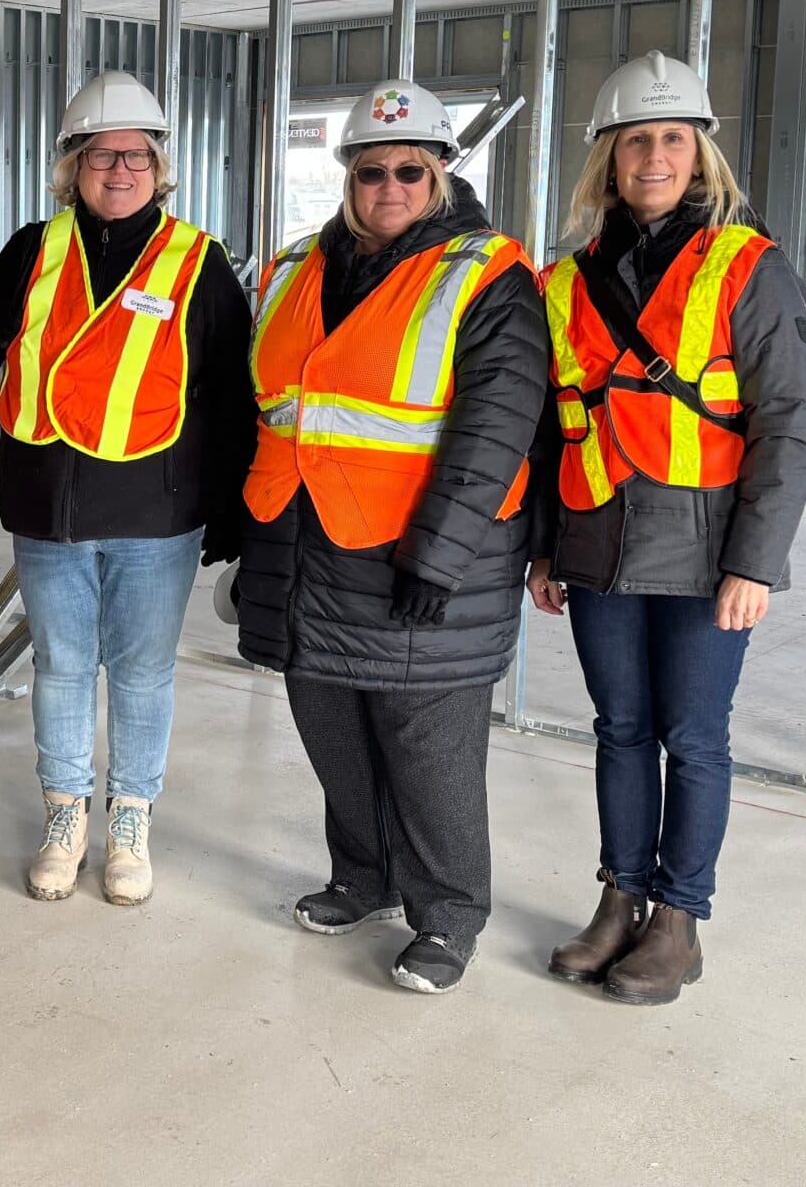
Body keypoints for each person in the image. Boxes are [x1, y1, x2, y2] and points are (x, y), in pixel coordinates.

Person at [234, 80, 548, 994]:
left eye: (410, 170)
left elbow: (496, 428)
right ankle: (363, 877)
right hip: (306, 544)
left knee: (428, 750)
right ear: (347, 176)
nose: (390, 187)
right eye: (371, 171)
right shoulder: (295, 267)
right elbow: (270, 407)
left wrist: (438, 557)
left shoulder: (487, 273)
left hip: (422, 556)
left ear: (441, 172)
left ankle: (447, 915)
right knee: (332, 728)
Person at [530, 50, 806, 1005]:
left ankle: (678, 921)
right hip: (598, 543)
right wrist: (546, 546)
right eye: (634, 141)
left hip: (706, 557)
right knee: (620, 730)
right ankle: (619, 899)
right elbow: (550, 423)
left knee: (693, 738)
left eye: (672, 138)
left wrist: (756, 565)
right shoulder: (564, 281)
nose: (653, 157)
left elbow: (790, 424)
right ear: (607, 159)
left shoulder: (747, 265)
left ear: (700, 154)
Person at [0, 70, 256, 906]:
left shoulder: (198, 259)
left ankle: (130, 821)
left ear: (159, 169)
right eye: (100, 156)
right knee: (61, 667)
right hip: (47, 503)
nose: (119, 171)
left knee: (141, 672)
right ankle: (65, 818)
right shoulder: (34, 248)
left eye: (136, 156)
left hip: (157, 510)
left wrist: (229, 505)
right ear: (73, 168)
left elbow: (229, 391)